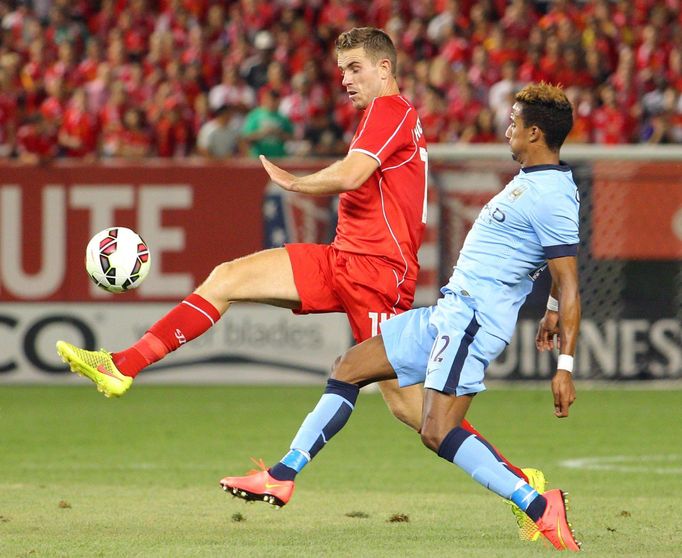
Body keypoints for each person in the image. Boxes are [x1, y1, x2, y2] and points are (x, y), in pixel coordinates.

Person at [55, 27, 539, 539]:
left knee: (410, 408)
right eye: (342, 71)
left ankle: (520, 482)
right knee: (225, 279)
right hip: (341, 260)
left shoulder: (391, 111)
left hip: (379, 276)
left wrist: (294, 182)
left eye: (355, 69)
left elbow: (353, 174)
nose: (346, 80)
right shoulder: (382, 116)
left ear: (384, 68)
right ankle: (122, 366)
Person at [220, 82, 582, 552]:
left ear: (535, 133)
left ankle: (538, 506)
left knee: (437, 431)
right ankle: (282, 475)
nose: (507, 128)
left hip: (471, 323)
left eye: (514, 122)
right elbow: (556, 274)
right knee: (347, 369)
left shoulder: (553, 194)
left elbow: (571, 279)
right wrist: (551, 308)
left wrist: (565, 367)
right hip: (448, 313)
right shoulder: (531, 182)